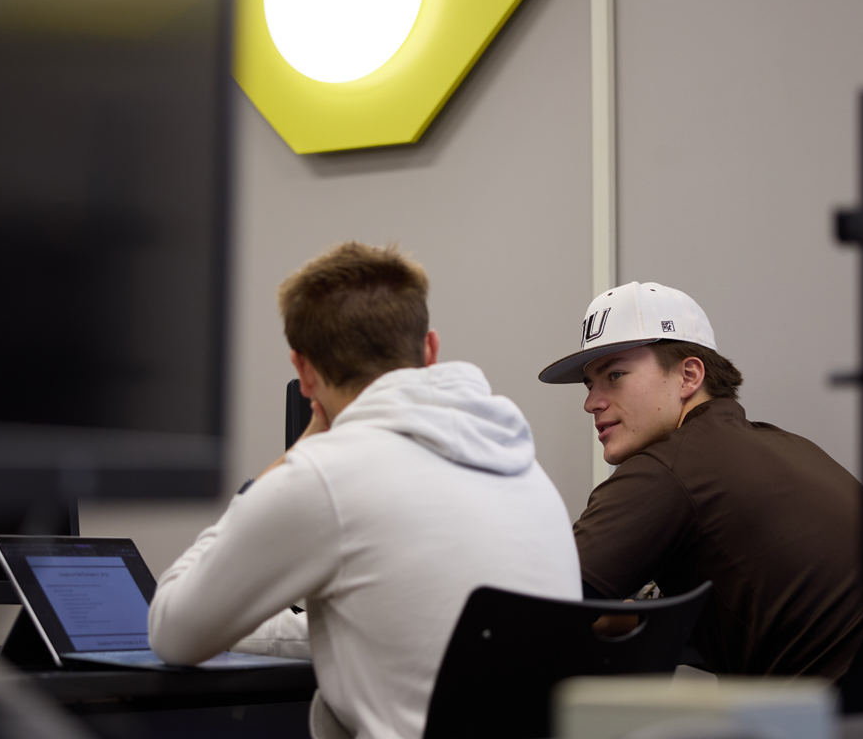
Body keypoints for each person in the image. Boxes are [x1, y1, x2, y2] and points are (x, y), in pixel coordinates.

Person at [150, 242, 580, 739]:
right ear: (430, 351)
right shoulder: (524, 467)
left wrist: (288, 462)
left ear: (305, 372)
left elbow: (172, 633)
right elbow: (401, 632)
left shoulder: (324, 476)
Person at [538, 280, 863, 680]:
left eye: (616, 375)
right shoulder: (783, 446)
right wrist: (637, 619)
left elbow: (530, 610)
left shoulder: (668, 468)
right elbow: (760, 605)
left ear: (688, 376)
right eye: (591, 384)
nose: (591, 402)